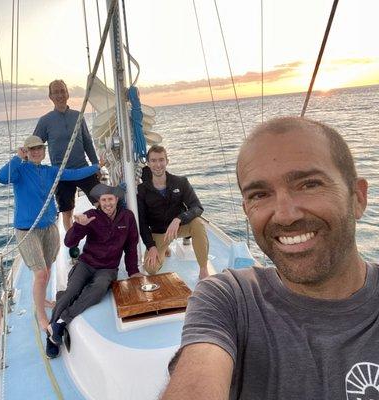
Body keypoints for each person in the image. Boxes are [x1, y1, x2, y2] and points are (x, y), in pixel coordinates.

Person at [161, 116, 377, 399]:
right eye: (260, 194)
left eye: (309, 185)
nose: (285, 215)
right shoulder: (229, 298)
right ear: (246, 209)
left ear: (357, 198)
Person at [0, 135, 100, 333]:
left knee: (49, 269)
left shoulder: (49, 171)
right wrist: (17, 158)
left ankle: (42, 298)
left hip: (49, 227)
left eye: (39, 149)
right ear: (26, 151)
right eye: (31, 149)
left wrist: (96, 166)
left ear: (44, 152)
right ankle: (41, 316)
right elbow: (1, 178)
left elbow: (74, 174)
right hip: (28, 229)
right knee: (41, 273)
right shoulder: (19, 170)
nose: (36, 152)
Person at [46, 183, 142, 358]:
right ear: (98, 202)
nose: (107, 203)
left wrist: (133, 271)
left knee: (98, 290)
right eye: (103, 200)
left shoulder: (127, 217)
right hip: (86, 264)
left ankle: (60, 322)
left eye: (110, 199)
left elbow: (131, 246)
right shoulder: (90, 216)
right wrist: (79, 226)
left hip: (108, 268)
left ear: (117, 199)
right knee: (71, 292)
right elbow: (68, 242)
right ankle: (51, 336)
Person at [34, 79, 99, 232]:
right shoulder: (45, 121)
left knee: (101, 203)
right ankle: (72, 245)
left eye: (62, 91)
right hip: (61, 174)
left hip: (83, 169)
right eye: (55, 92)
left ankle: (104, 237)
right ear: (50, 96)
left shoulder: (78, 116)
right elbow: (35, 146)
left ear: (67, 93)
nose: (59, 95)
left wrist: (95, 165)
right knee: (67, 212)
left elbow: (88, 143)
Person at [137, 145, 209, 280]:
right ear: (148, 163)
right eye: (153, 160)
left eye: (161, 160)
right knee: (151, 269)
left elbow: (197, 207)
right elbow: (142, 222)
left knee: (198, 223)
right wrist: (151, 246)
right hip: (159, 232)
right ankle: (164, 248)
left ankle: (204, 269)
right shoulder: (142, 190)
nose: (158, 164)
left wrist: (179, 219)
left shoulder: (180, 182)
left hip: (179, 227)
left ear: (167, 161)